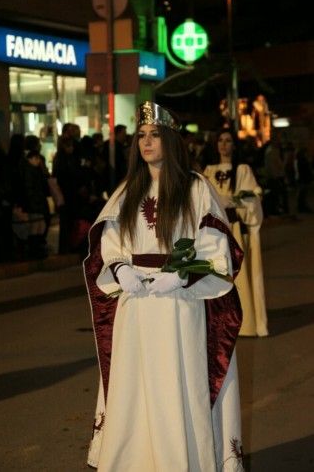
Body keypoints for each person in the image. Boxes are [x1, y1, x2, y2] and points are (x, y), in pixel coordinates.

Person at [83, 101, 245, 471]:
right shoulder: (127, 190)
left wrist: (182, 274)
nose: (145, 142)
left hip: (178, 303)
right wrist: (122, 268)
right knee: (134, 388)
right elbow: (110, 240)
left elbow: (216, 246)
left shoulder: (196, 187)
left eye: (154, 135)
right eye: (141, 136)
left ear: (170, 140)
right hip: (137, 303)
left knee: (177, 385)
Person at [204, 128, 268, 337]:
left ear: (234, 144)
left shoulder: (242, 170)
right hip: (215, 233)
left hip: (236, 230)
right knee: (217, 276)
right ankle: (220, 322)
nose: (223, 144)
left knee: (239, 277)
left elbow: (253, 197)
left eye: (228, 140)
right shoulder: (209, 171)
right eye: (220, 140)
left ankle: (246, 322)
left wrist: (230, 201)